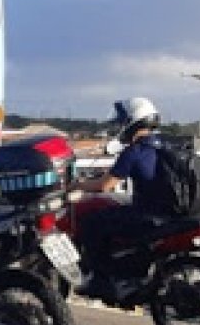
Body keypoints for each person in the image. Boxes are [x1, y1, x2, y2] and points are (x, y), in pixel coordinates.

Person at [71, 96, 167, 297]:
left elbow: (105, 185)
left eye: (123, 122)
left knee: (92, 223)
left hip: (146, 213)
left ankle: (101, 279)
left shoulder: (134, 151)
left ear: (133, 122)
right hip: (167, 212)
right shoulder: (162, 146)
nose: (120, 127)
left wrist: (78, 184)